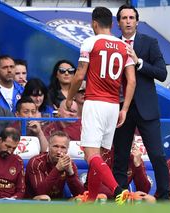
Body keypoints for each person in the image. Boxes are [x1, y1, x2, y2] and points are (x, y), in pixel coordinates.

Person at [65, 6, 136, 203]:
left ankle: (118, 190)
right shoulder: (124, 46)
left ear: (93, 24)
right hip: (113, 106)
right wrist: (125, 108)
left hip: (95, 102)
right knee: (100, 157)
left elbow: (79, 75)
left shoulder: (90, 42)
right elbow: (131, 81)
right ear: (112, 24)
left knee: (91, 156)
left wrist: (69, 98)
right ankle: (92, 198)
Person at [112, 4, 170, 201]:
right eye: (124, 18)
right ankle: (119, 197)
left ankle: (163, 197)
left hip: (147, 108)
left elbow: (162, 73)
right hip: (121, 108)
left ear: (137, 21)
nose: (128, 21)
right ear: (118, 23)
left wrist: (139, 62)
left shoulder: (150, 42)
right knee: (120, 157)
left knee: (157, 155)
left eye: (131, 17)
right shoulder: (112, 44)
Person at [25, 131, 84, 200]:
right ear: (49, 146)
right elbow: (40, 192)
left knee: (78, 199)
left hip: (58, 201)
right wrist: (57, 169)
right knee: (44, 198)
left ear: (67, 150)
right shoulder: (36, 162)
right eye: (55, 146)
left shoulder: (69, 163)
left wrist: (71, 174)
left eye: (63, 147)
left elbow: (80, 194)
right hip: (32, 202)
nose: (59, 151)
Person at [86, 141, 151, 199]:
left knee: (150, 200)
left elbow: (144, 191)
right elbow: (97, 187)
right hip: (100, 197)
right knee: (103, 197)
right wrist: (122, 194)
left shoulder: (133, 158)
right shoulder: (103, 155)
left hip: (122, 197)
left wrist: (138, 166)